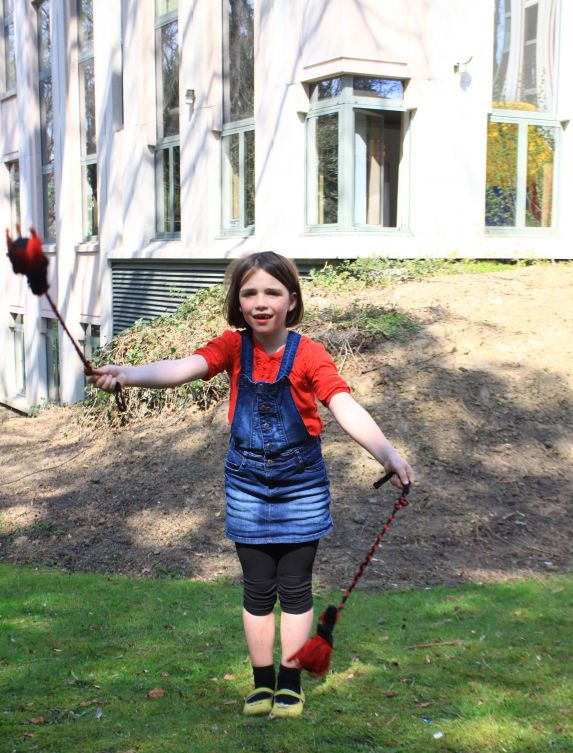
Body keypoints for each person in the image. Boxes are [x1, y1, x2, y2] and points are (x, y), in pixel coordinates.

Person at [92, 252, 414, 719]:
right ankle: (262, 685)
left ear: (291, 300)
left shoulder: (310, 354)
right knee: (258, 589)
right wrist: (128, 375)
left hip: (301, 487)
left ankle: (290, 684)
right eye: (249, 293)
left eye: (272, 292)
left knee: (296, 588)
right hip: (246, 487)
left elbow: (343, 405)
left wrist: (387, 453)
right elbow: (181, 368)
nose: (261, 302)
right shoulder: (230, 348)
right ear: (238, 302)